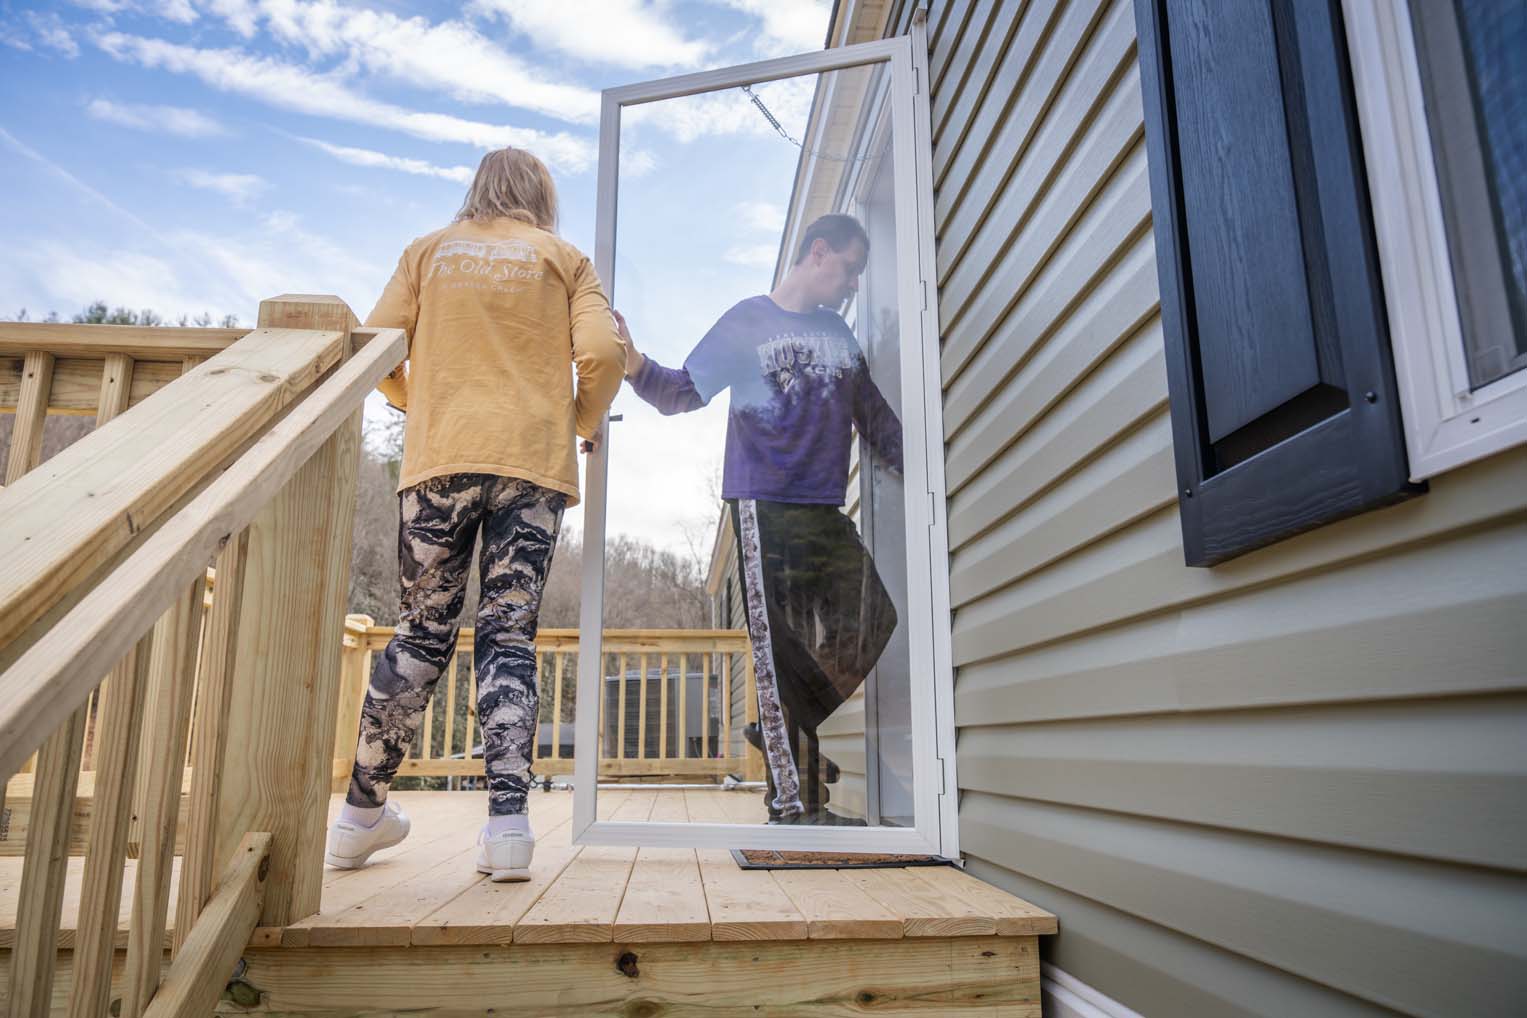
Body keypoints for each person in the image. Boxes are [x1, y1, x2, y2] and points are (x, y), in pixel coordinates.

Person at [325, 148, 626, 880]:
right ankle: (509, 829)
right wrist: (579, 420)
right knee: (507, 633)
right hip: (530, 465)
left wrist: (411, 400)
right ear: (540, 198)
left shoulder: (426, 253)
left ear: (476, 190)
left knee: (422, 631)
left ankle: (360, 817)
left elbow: (375, 346)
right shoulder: (563, 259)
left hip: (440, 461)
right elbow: (602, 352)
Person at [619, 213, 901, 824]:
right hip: (762, 507)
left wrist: (930, 461)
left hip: (823, 511)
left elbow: (874, 419)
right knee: (778, 653)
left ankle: (778, 717)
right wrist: (633, 362)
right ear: (818, 252)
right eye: (850, 269)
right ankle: (797, 806)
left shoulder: (840, 338)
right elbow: (680, 393)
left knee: (875, 617)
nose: (853, 284)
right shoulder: (747, 321)